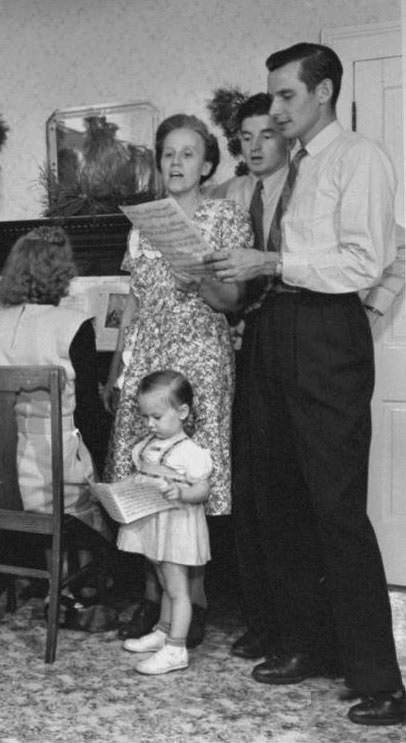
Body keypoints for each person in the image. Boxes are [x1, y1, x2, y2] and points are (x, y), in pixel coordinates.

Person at [205, 42, 404, 726]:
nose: (277, 108)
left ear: (323, 92)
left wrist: (271, 259)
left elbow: (366, 259)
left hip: (326, 336)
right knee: (281, 501)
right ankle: (307, 644)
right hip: (273, 333)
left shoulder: (361, 160)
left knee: (337, 508)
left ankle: (380, 675)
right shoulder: (293, 169)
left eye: (286, 95)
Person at [103, 114, 248, 647]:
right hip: (148, 357)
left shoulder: (225, 217)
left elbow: (234, 303)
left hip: (200, 357)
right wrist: (118, 367)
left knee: (190, 477)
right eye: (168, 153)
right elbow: (135, 300)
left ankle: (195, 604)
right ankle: (153, 600)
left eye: (188, 154)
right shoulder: (142, 224)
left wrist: (203, 278)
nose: (177, 163)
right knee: (144, 473)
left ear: (207, 163)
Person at [0, 226, 114, 621]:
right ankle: (74, 590)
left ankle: (55, 582)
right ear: (63, 273)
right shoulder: (73, 324)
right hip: (53, 480)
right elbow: (87, 412)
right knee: (98, 483)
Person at [213, 92, 290, 662]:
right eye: (246, 137)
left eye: (267, 134)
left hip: (301, 348)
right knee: (250, 488)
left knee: (290, 491)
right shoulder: (234, 195)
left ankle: (297, 627)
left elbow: (396, 246)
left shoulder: (309, 186)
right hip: (247, 353)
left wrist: (370, 310)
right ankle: (260, 619)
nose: (256, 146)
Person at [118, 370, 212, 675]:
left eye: (157, 417)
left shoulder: (191, 453)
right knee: (162, 580)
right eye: (146, 417)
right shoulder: (146, 446)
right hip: (156, 524)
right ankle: (163, 630)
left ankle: (176, 648)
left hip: (177, 525)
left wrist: (182, 492)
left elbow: (203, 489)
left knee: (177, 588)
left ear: (182, 412)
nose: (150, 424)